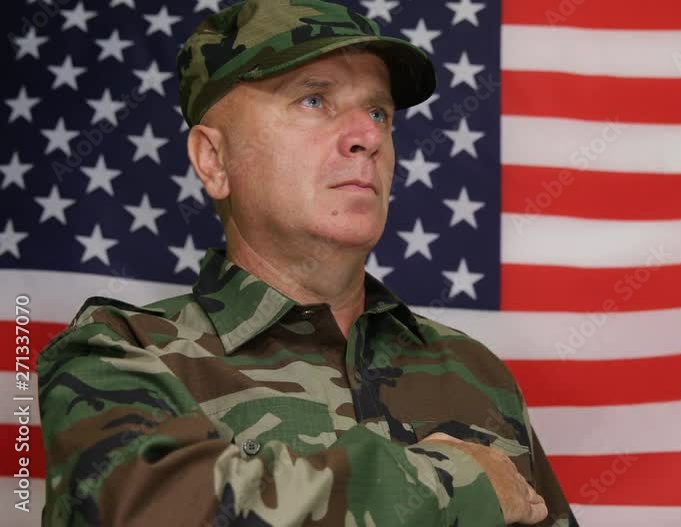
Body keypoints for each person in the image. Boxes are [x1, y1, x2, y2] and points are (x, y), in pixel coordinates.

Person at [36, 2, 576, 525]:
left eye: (378, 112)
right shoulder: (118, 352)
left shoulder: (473, 372)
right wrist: (454, 482)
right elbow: (157, 512)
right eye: (314, 101)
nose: (368, 136)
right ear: (214, 159)